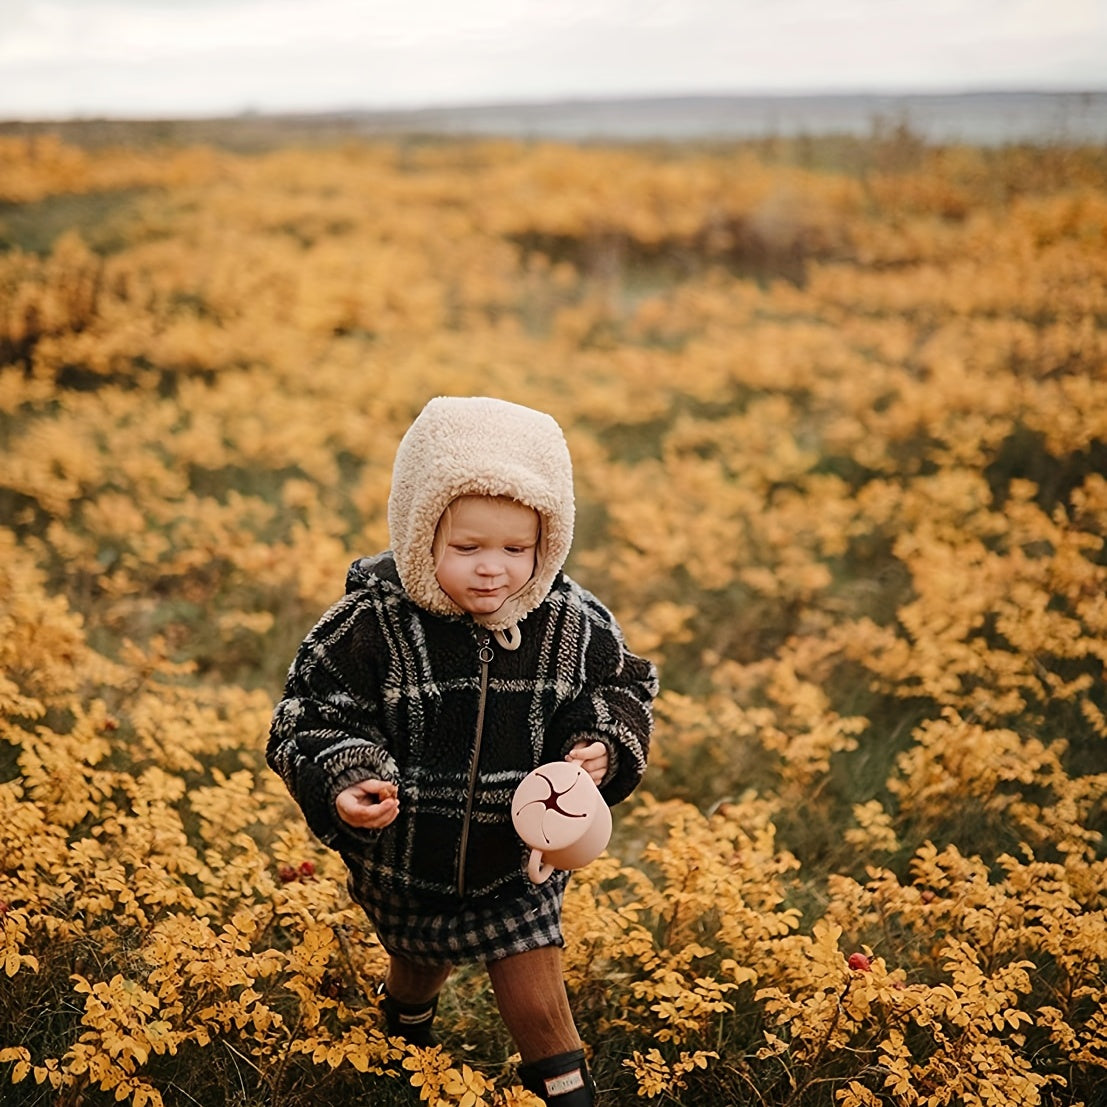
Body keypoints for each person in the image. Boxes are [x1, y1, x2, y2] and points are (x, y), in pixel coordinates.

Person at [267, 396, 657, 1105]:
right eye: (467, 547)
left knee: (537, 1001)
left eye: (517, 550)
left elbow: (621, 687)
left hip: (516, 864)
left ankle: (564, 1088)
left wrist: (601, 741)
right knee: (416, 960)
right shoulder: (369, 625)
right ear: (419, 533)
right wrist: (347, 774)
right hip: (407, 856)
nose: (492, 571)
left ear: (550, 540)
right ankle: (404, 1020)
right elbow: (311, 713)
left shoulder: (571, 622)